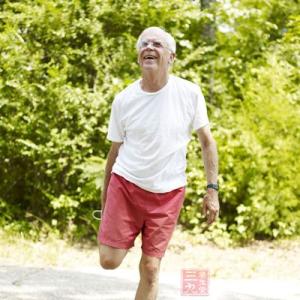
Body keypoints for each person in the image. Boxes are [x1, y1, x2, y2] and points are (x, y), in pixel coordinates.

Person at [98, 26, 219, 300]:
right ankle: (123, 234)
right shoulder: (124, 100)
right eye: (144, 44)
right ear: (139, 57)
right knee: (108, 260)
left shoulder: (189, 93)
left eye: (157, 44)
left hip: (168, 193)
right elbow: (113, 153)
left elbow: (207, 142)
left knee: (151, 268)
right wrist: (105, 203)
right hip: (126, 185)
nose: (149, 47)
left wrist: (212, 189)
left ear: (171, 57)